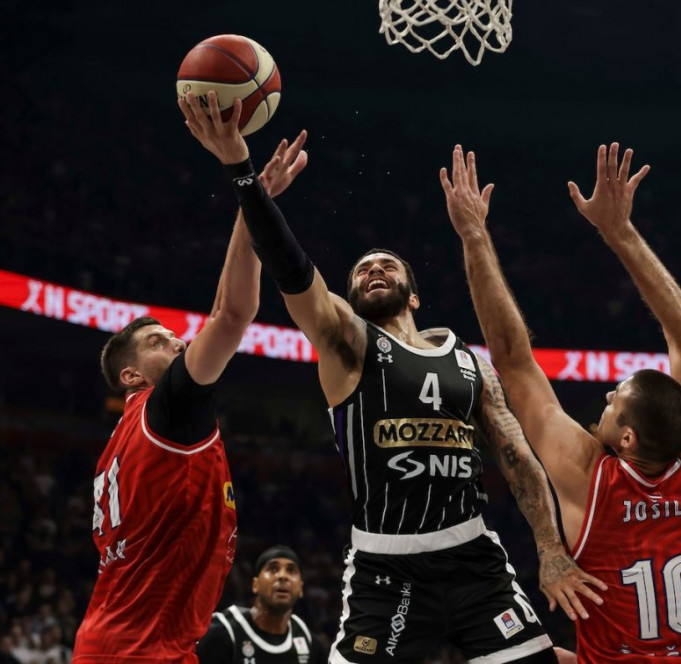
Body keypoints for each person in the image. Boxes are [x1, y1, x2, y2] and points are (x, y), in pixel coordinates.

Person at [212, 108, 605, 664]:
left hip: (474, 559)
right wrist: (246, 179)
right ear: (350, 297)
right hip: (386, 566)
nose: (374, 269)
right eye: (362, 269)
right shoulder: (347, 341)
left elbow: (517, 457)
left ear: (414, 296)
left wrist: (550, 550)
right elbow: (292, 269)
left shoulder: (467, 361)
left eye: (388, 265)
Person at [443, 143, 681, 661]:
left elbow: (513, 360)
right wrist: (620, 232)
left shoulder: (589, 477)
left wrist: (474, 235)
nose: (606, 395)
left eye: (615, 399)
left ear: (627, 438)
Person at [72, 92, 308, 663]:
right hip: (140, 652)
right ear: (131, 375)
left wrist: (253, 206)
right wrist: (244, 179)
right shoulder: (165, 409)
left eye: (175, 337)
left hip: (137, 643)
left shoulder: (126, 437)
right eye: (160, 342)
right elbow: (232, 313)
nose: (178, 343)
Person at [197, 546, 327, 664]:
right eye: (273, 569)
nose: (283, 576)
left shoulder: (309, 643)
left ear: (301, 588)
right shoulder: (223, 632)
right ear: (255, 584)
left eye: (291, 571)